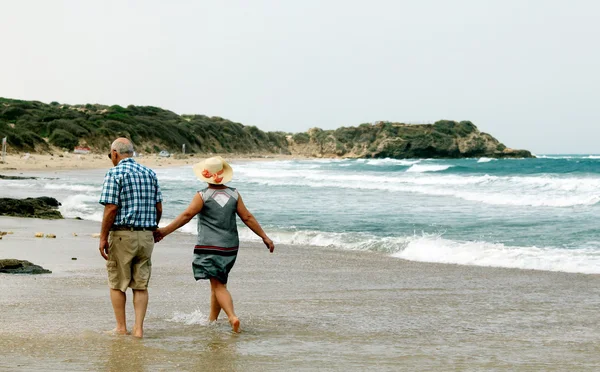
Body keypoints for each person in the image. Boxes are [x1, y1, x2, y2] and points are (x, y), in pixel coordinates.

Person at [153, 156, 274, 333]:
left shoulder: (202, 196)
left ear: (205, 176)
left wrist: (164, 231)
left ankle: (233, 317)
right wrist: (264, 236)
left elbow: (187, 216)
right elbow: (247, 217)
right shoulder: (234, 194)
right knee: (217, 282)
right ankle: (212, 320)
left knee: (218, 285)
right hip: (230, 247)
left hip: (210, 246)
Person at [98, 138, 163, 338]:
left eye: (111, 155)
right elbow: (158, 207)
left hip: (123, 234)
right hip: (146, 235)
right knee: (140, 284)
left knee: (118, 282)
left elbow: (111, 208)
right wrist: (152, 228)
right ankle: (139, 329)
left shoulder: (115, 173)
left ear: (115, 153)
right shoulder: (149, 173)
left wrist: (103, 237)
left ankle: (121, 327)